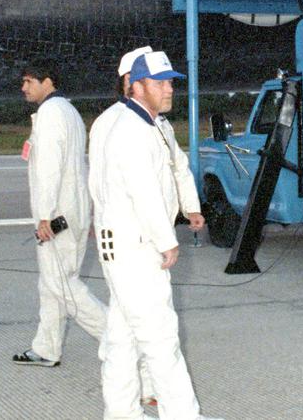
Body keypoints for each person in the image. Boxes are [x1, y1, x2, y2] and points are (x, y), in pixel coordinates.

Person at [89, 48, 220, 420]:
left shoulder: (150, 124)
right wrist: (167, 241)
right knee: (161, 340)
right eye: (161, 83)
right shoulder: (125, 130)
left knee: (123, 338)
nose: (169, 89)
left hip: (134, 244)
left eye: (171, 82)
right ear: (136, 85)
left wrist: (188, 206)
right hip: (134, 247)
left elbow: (174, 168)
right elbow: (141, 192)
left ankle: (121, 413)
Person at [12, 59, 108, 368]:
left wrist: (44, 216)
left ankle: (117, 337)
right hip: (72, 210)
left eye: (29, 81)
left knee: (62, 285)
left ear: (47, 81)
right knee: (51, 283)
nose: (23, 87)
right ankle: (46, 348)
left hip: (58, 216)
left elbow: (49, 169)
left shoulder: (51, 114)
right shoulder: (67, 110)